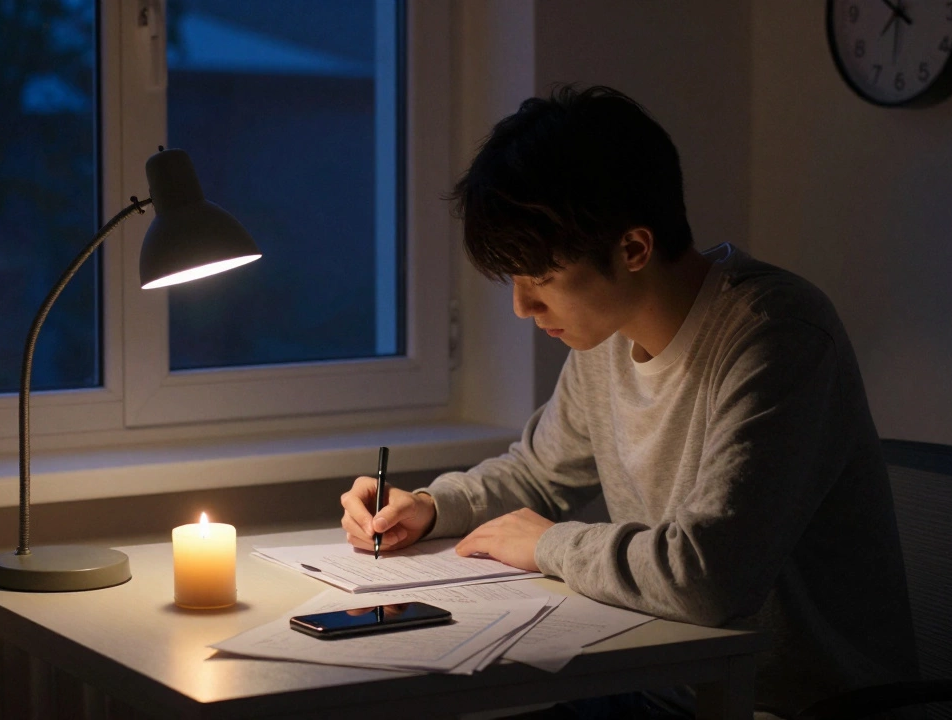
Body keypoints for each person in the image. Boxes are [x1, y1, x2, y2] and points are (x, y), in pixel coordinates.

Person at [339, 85, 918, 718]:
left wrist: (548, 545)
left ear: (634, 248)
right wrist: (427, 507)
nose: (522, 307)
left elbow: (708, 577)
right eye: (514, 280)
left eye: (542, 279)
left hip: (781, 704)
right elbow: (539, 472)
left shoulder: (778, 336)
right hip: (661, 681)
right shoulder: (607, 338)